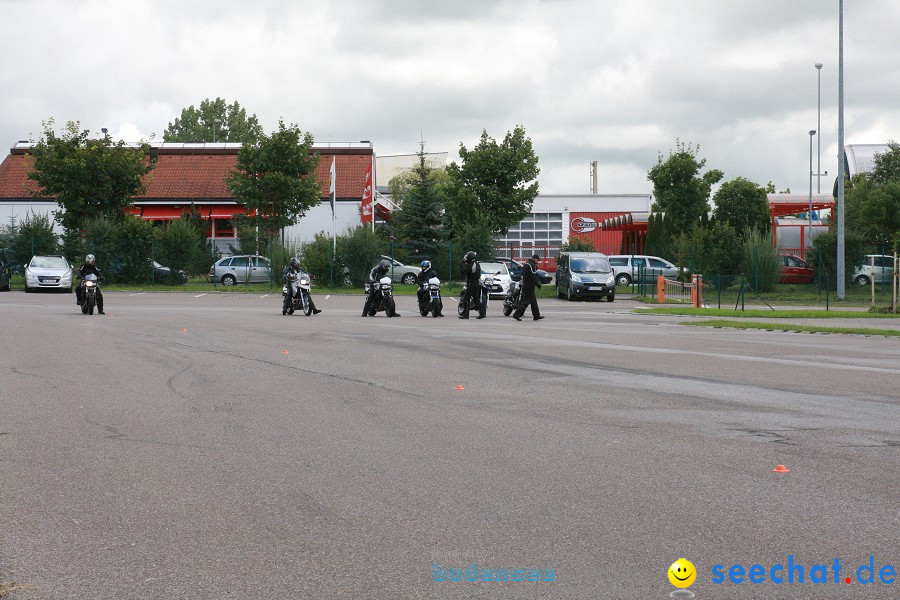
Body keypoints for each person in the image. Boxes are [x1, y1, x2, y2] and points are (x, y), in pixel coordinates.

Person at [513, 253, 544, 321]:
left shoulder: (527, 264)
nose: (538, 261)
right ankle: (516, 314)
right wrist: (538, 284)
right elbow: (533, 276)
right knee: (526, 302)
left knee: (533, 302)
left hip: (526, 286)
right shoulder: (531, 265)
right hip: (529, 287)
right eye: (537, 260)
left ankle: (536, 315)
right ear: (534, 259)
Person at [459, 250, 485, 319]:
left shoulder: (471, 265)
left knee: (466, 299)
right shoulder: (476, 264)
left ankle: (466, 315)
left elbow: (463, 272)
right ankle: (482, 313)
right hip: (477, 283)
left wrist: (461, 266)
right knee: (476, 299)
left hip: (471, 284)